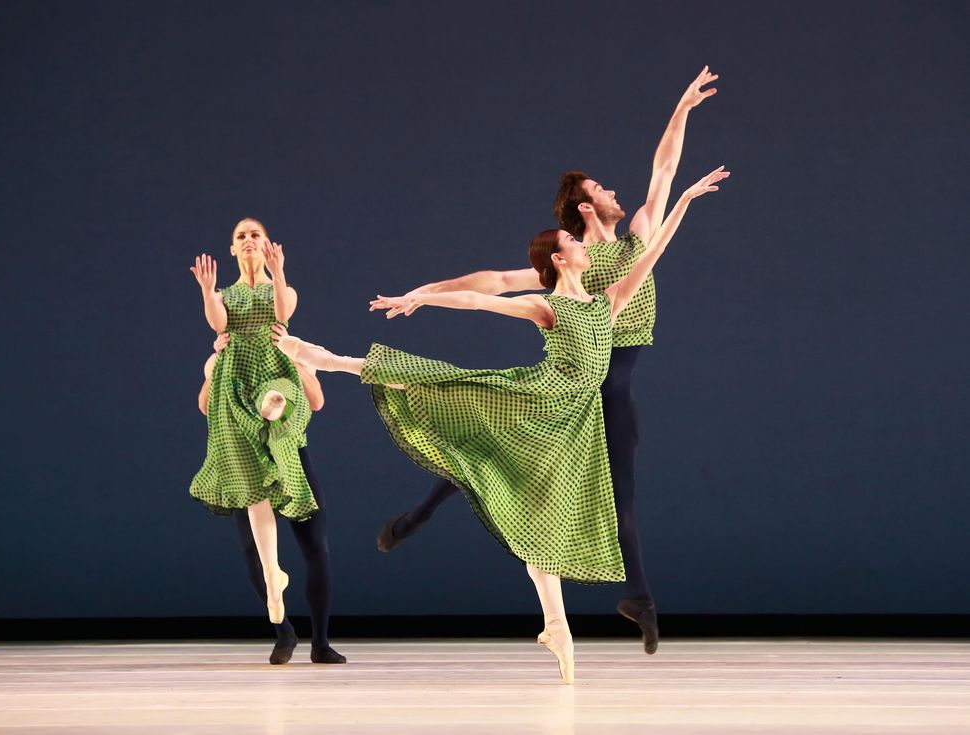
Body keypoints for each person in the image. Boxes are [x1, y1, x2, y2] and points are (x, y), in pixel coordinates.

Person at [274, 168, 728, 682]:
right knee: (441, 383)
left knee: (539, 516)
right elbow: (478, 298)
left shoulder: (607, 301)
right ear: (561, 258)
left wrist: (685, 199)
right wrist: (420, 296)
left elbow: (653, 253)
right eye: (569, 243)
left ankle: (556, 627)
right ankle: (333, 361)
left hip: (571, 422)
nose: (580, 247)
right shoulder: (546, 305)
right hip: (534, 399)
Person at [372, 66, 720, 655]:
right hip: (576, 381)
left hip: (616, 379)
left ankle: (635, 595)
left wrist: (682, 108)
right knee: (507, 450)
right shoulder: (572, 263)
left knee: (610, 488)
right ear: (585, 210)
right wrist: (423, 292)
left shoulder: (636, 238)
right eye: (601, 190)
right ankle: (426, 512)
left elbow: (664, 171)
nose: (614, 192)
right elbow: (492, 282)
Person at [190, 218, 345, 665]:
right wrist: (215, 355)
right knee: (253, 548)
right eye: (241, 236)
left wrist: (278, 275)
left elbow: (315, 399)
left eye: (255, 234)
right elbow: (207, 402)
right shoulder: (226, 323)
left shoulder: (289, 341)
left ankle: (321, 639)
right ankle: (283, 631)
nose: (249, 241)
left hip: (286, 445)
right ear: (233, 249)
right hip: (246, 441)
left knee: (315, 544)